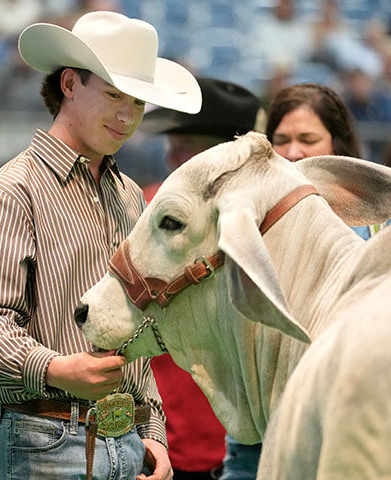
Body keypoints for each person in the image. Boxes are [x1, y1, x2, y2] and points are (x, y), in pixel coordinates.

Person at [0, 10, 201, 480]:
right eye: (114, 95)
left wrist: (151, 426)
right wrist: (57, 369)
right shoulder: (12, 190)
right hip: (41, 440)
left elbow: (137, 325)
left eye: (137, 101)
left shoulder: (130, 195)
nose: (127, 115)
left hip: (125, 440)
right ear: (69, 83)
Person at [220, 82, 391, 479]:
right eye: (281, 140)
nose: (294, 151)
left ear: (338, 145)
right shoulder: (253, 230)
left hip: (372, 433)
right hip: (270, 431)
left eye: (308, 139)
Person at [139, 77, 260, 479]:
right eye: (172, 139)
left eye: (187, 141)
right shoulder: (150, 208)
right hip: (173, 423)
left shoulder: (261, 220)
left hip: (248, 424)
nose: (172, 150)